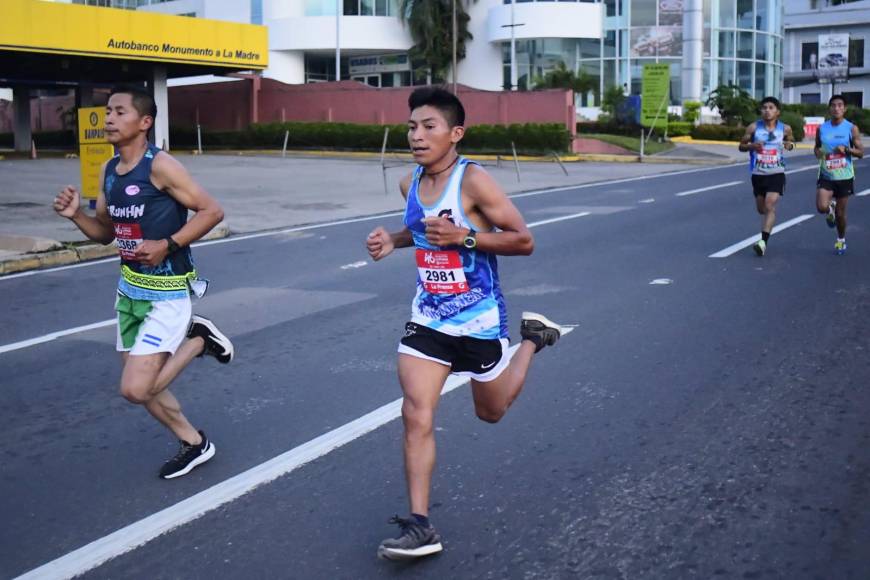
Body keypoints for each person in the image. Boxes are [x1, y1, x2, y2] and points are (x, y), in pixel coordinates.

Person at [366, 87, 563, 561]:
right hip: (429, 317)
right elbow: (421, 232)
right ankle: (420, 525)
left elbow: (523, 240)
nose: (417, 135)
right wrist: (394, 240)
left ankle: (532, 340)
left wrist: (466, 237)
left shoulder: (473, 181)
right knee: (415, 412)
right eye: (412, 126)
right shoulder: (407, 183)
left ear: (456, 133)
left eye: (428, 126)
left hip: (479, 321)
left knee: (490, 412)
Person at [53, 85, 234, 479]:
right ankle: (194, 443)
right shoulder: (108, 170)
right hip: (130, 291)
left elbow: (212, 211)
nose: (109, 118)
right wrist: (74, 216)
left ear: (145, 122)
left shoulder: (160, 165)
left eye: (119, 111)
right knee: (142, 384)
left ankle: (199, 338)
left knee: (136, 389)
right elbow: (104, 233)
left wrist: (167, 244)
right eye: (107, 111)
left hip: (168, 291)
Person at [737, 96, 795, 257]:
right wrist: (752, 146)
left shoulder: (785, 129)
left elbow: (791, 143)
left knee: (769, 205)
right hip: (758, 173)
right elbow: (741, 146)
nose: (767, 110)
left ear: (777, 112)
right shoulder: (753, 128)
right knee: (761, 209)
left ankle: (763, 242)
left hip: (776, 173)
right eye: (764, 107)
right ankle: (768, 221)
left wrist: (788, 145)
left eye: (771, 107)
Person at [815, 94, 864, 255]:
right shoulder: (821, 128)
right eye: (833, 105)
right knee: (821, 207)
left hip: (844, 176)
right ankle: (830, 207)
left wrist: (847, 149)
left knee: (841, 214)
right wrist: (819, 152)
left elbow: (861, 153)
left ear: (844, 109)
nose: (836, 108)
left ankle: (841, 240)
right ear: (829, 109)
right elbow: (816, 147)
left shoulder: (851, 128)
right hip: (826, 174)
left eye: (840, 105)